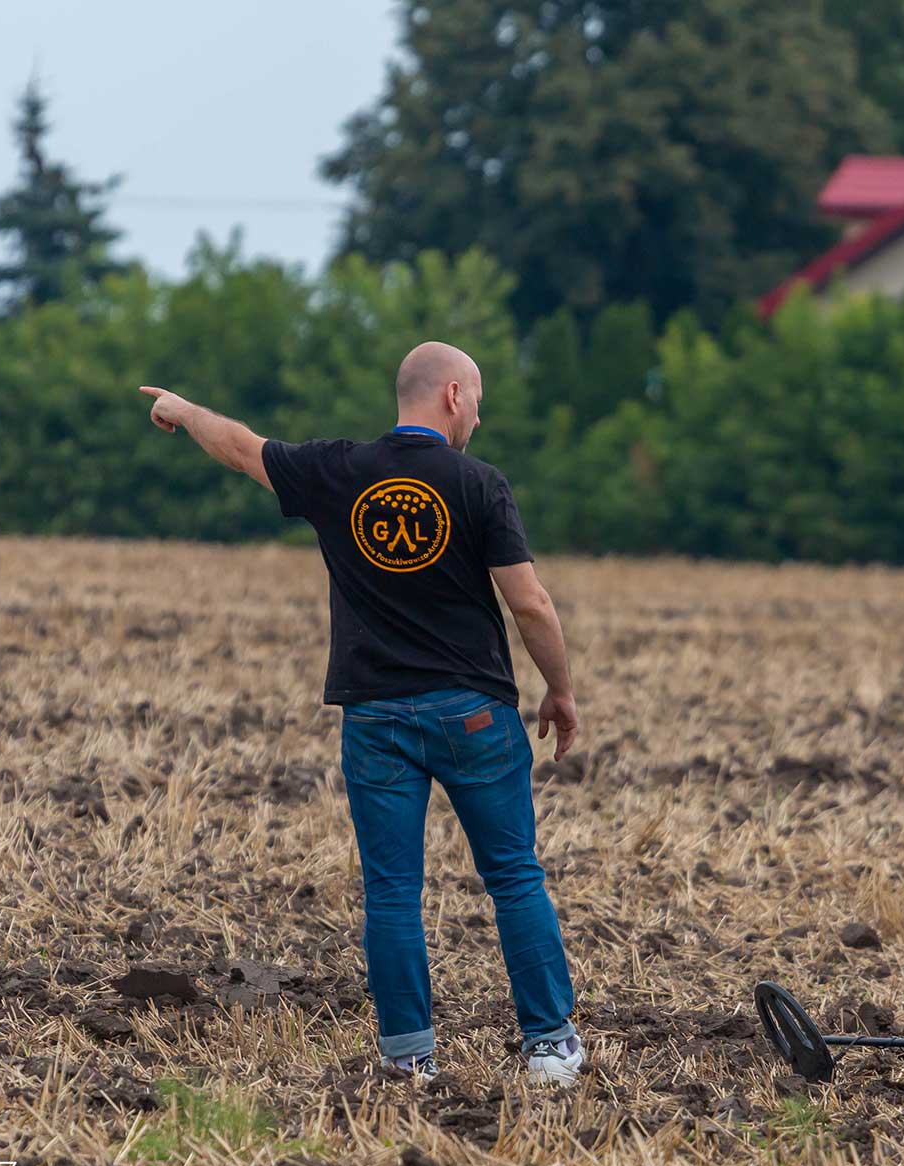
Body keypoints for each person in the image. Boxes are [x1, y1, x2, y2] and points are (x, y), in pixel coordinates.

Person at [137, 342, 586, 1086]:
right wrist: (560, 689)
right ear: (452, 395)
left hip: (375, 719)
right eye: (476, 400)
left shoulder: (337, 470)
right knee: (512, 877)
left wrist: (183, 411)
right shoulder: (479, 483)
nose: (478, 417)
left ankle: (408, 1056)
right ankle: (550, 1049)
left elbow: (241, 448)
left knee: (392, 891)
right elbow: (530, 603)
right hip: (474, 716)